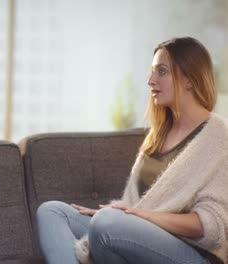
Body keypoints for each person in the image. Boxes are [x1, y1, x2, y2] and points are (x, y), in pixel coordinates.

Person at [36, 37, 228, 264]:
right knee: (52, 212)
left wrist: (142, 217)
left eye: (161, 72)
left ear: (189, 78)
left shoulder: (219, 136)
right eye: (152, 72)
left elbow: (212, 227)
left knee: (106, 223)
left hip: (192, 253)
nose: (150, 80)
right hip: (134, 234)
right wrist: (122, 215)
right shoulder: (159, 134)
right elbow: (135, 206)